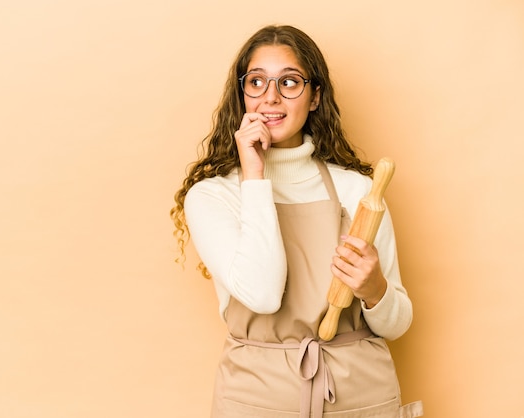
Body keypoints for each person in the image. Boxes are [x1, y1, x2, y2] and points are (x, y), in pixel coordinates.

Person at [170, 25, 423, 418]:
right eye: (256, 82)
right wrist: (255, 176)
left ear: (315, 96)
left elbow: (397, 323)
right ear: (242, 95)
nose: (270, 97)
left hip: (362, 397)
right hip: (254, 401)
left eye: (289, 82)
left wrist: (376, 290)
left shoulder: (358, 192)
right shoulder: (214, 196)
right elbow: (263, 295)